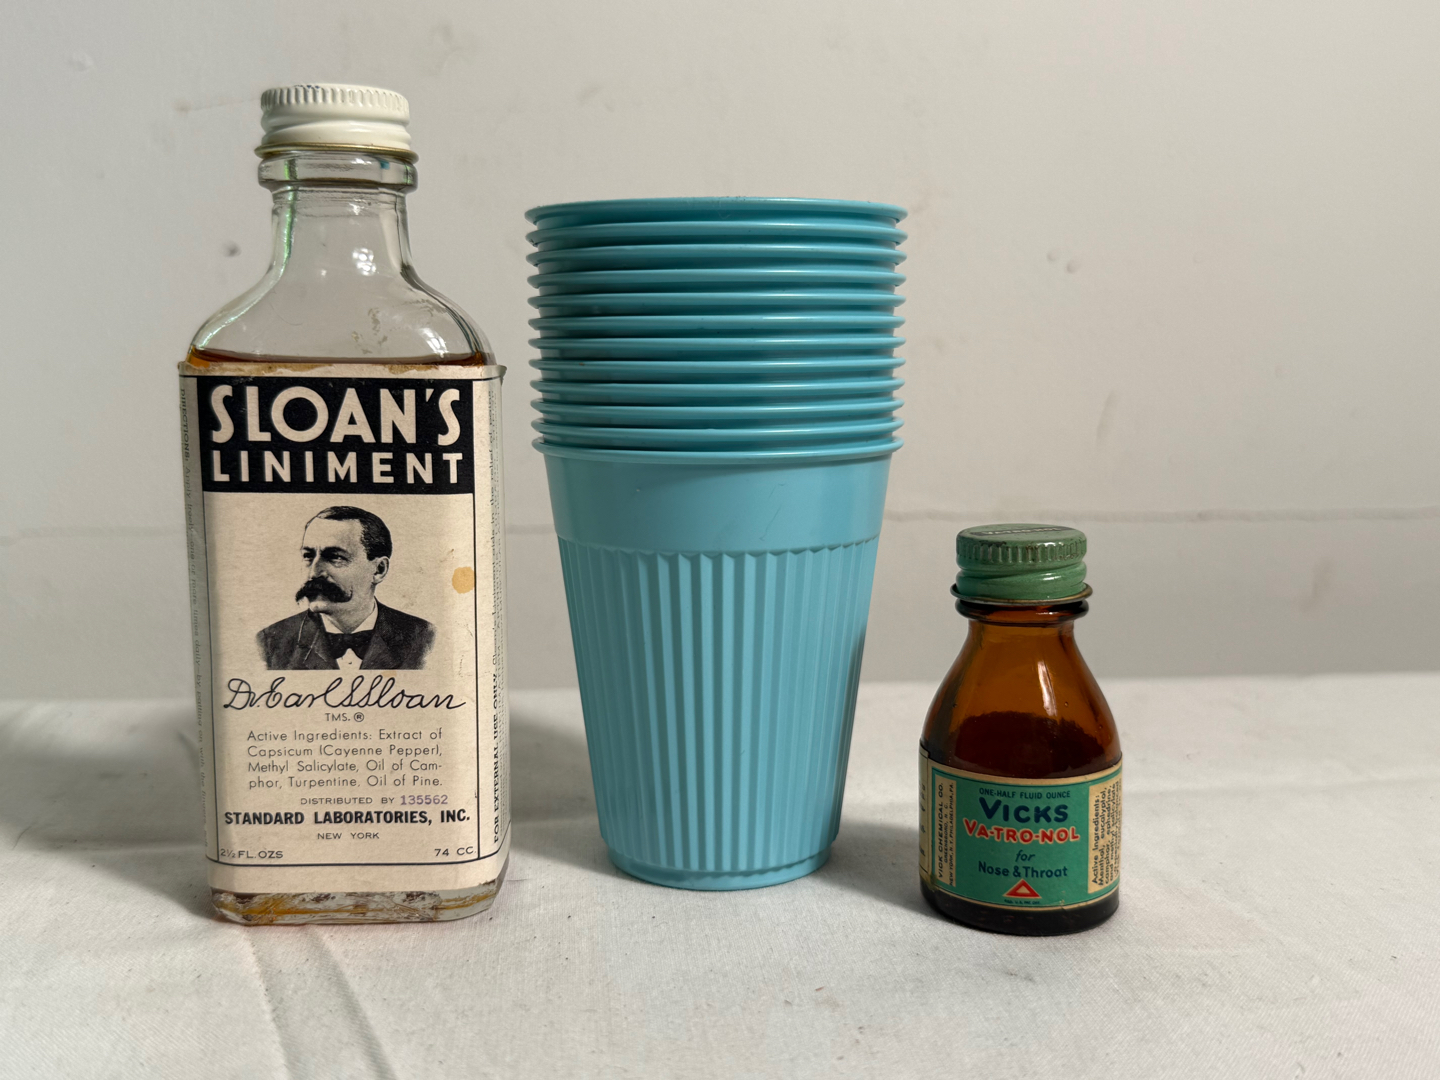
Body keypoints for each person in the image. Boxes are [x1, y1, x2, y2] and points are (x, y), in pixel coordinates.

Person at [256, 506, 435, 670]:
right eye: (308, 556)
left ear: (379, 570)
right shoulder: (270, 643)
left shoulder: (424, 639)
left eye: (335, 557)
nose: (313, 573)